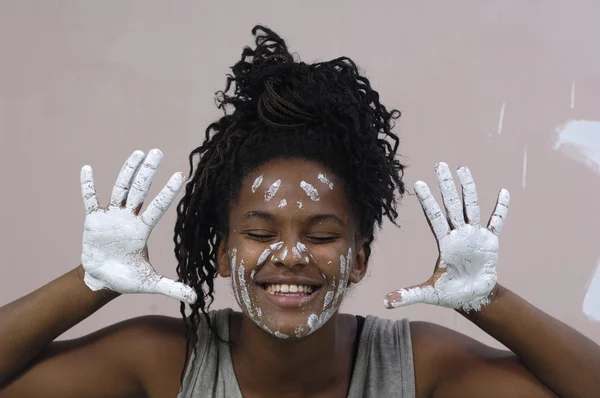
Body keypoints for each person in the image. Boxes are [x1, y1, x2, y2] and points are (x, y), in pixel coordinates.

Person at [0, 25, 599, 398]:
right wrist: (89, 285)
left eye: (321, 233)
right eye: (260, 232)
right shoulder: (168, 362)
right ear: (223, 251)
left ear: (359, 257)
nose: (289, 255)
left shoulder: (410, 365)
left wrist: (489, 302)